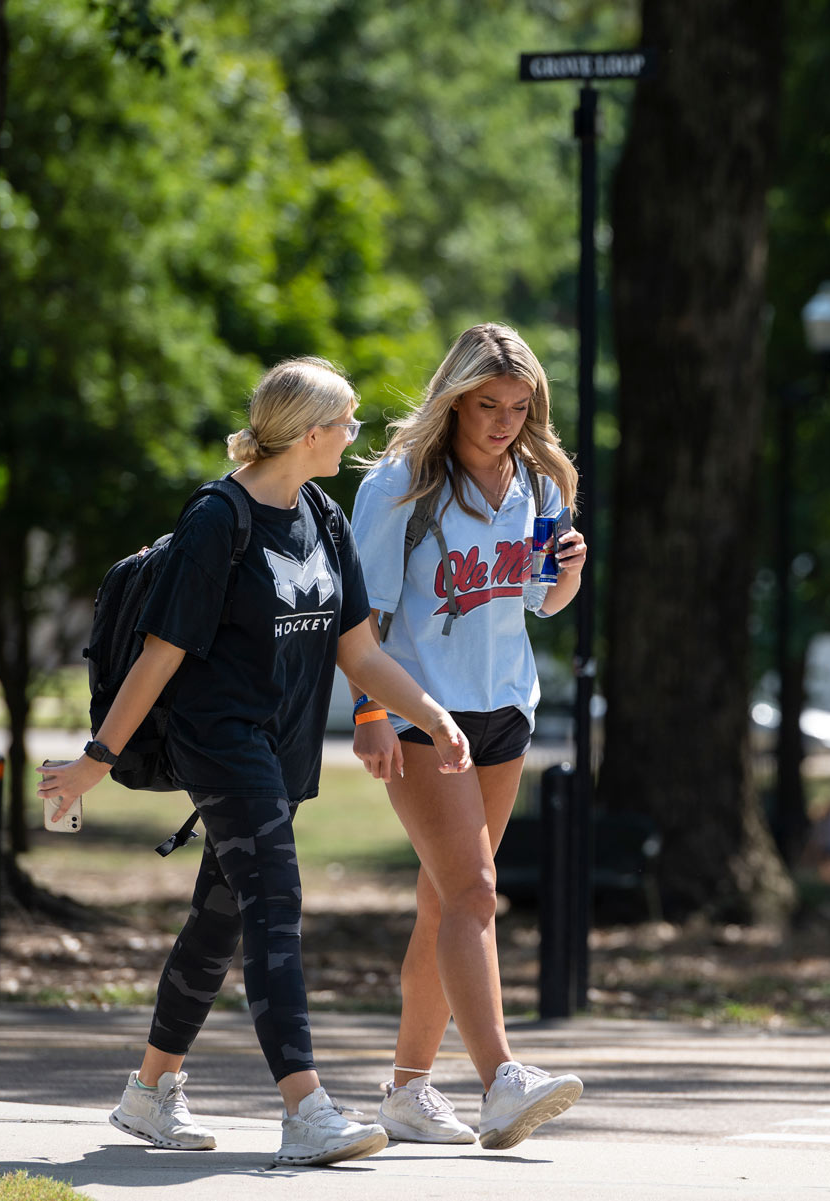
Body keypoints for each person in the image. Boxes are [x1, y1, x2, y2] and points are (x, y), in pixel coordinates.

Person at [37, 357, 473, 1168]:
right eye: (344, 424)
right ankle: (306, 1107)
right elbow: (161, 654)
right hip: (221, 740)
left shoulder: (322, 515)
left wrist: (434, 715)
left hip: (281, 745)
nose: (352, 437)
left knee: (219, 918)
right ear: (309, 433)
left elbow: (360, 652)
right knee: (275, 900)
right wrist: (99, 758)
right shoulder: (219, 517)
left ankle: (148, 1089)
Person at [346, 322, 586, 1150]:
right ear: (454, 398)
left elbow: (535, 602)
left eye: (520, 407)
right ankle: (501, 1080)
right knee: (477, 890)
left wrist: (570, 575)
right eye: (487, 405)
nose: (504, 422)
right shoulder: (398, 486)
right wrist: (370, 712)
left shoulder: (538, 481)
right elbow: (361, 622)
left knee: (443, 903)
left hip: (504, 708)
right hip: (421, 711)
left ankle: (409, 1091)